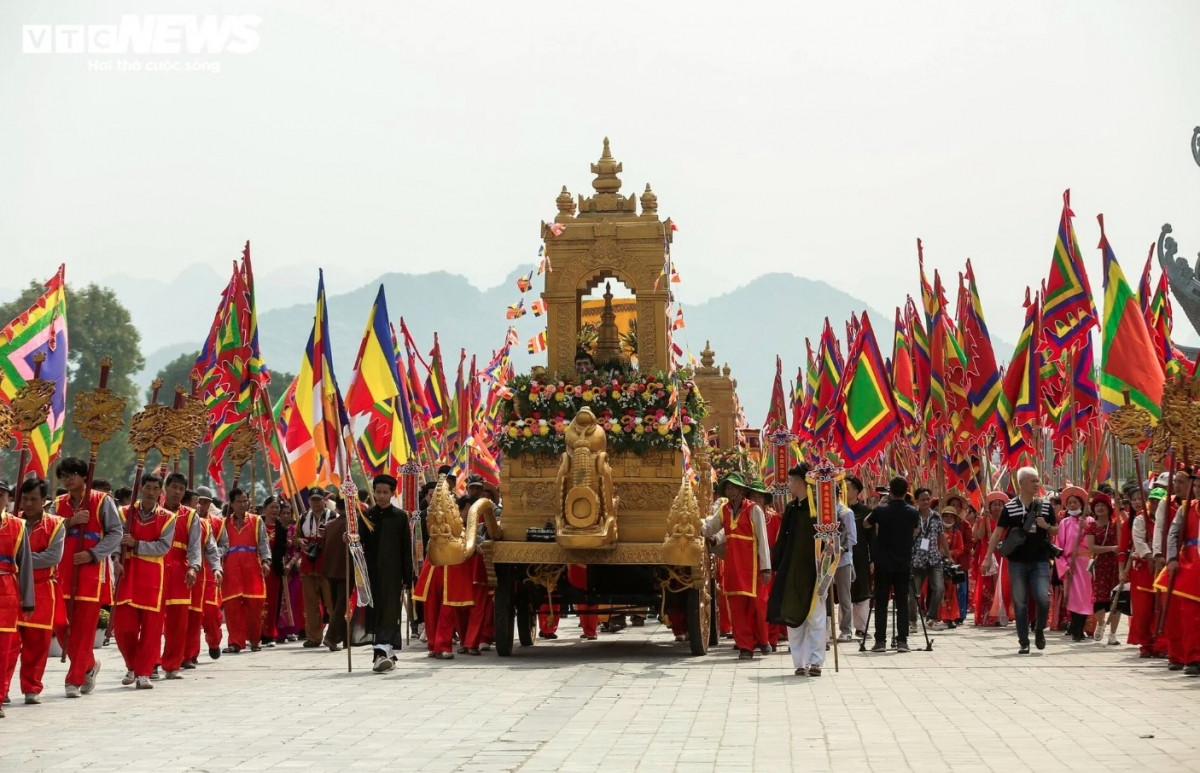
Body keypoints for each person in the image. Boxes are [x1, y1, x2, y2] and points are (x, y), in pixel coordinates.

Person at [53, 457, 124, 698]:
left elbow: (116, 533)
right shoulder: (58, 504)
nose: (67, 480)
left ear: (84, 475)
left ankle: (73, 680)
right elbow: (47, 528)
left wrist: (93, 554)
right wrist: (70, 522)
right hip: (62, 572)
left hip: (91, 574)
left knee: (83, 631)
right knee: (59, 625)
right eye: (64, 476)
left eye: (72, 474)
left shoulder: (102, 500)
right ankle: (89, 664)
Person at [2, 479, 63, 705]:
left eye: (34, 499)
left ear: (44, 500)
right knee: (9, 644)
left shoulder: (55, 524)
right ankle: (3, 688)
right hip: (11, 588)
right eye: (25, 498)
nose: (28, 504)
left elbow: (52, 556)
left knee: (37, 642)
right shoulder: (11, 522)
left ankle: (31, 687)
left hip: (42, 588)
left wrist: (20, 560)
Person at [112, 475, 175, 690]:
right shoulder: (124, 513)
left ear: (160, 493)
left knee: (151, 630)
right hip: (127, 573)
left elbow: (163, 547)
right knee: (124, 628)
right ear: (140, 489)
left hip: (153, 577)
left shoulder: (167, 518)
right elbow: (115, 539)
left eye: (155, 488)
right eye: (147, 487)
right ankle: (132, 665)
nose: (151, 492)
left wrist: (136, 544)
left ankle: (144, 672)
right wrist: (115, 559)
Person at [986, 466, 1057, 654]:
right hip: (1017, 561)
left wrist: (1047, 526)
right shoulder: (1009, 508)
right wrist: (987, 557)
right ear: (1021, 483)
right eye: (1033, 481)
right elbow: (997, 533)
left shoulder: (1045, 506)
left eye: (1037, 480)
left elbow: (1056, 529)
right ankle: (1023, 641)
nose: (1036, 484)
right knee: (1020, 602)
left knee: (1043, 598)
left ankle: (1039, 629)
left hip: (1040, 560)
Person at [766, 464, 829, 676]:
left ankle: (815, 662)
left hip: (815, 570)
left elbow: (836, 534)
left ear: (801, 482)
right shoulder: (792, 509)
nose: (789, 484)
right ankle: (800, 663)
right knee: (793, 615)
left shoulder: (820, 507)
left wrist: (832, 548)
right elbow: (783, 539)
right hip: (792, 569)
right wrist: (777, 564)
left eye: (792, 480)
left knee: (816, 617)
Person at [702, 472, 771, 660]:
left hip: (753, 567)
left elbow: (763, 539)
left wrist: (766, 567)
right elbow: (711, 528)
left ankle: (762, 640)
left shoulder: (754, 509)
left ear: (741, 490)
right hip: (733, 565)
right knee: (737, 608)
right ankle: (745, 647)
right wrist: (695, 524)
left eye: (733, 487)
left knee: (758, 606)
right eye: (727, 487)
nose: (730, 490)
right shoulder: (724, 510)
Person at [360, 474, 414, 671]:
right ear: (373, 493)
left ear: (392, 493)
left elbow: (405, 548)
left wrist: (407, 576)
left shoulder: (400, 516)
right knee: (375, 610)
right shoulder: (366, 516)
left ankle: (382, 651)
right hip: (371, 572)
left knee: (390, 610)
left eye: (385, 492)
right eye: (378, 492)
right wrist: (350, 540)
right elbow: (359, 543)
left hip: (393, 573)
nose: (381, 496)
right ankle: (383, 651)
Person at [865, 476, 920, 653]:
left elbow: (866, 523)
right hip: (903, 562)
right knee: (902, 601)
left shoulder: (881, 510)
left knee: (881, 601)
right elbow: (916, 530)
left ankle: (880, 641)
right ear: (906, 491)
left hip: (883, 562)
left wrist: (880, 504)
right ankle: (902, 641)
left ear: (890, 490)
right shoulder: (913, 512)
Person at [159, 472, 202, 679]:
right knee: (153, 619)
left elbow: (195, 546)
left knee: (178, 621)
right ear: (165, 488)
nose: (177, 492)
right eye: (173, 487)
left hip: (180, 569)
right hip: (156, 566)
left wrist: (194, 567)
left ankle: (172, 664)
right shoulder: (154, 511)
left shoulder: (191, 515)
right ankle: (149, 663)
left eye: (181, 489)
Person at [218, 488, 271, 654]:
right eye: (239, 501)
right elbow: (219, 546)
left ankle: (255, 640)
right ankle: (235, 642)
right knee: (232, 607)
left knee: (255, 606)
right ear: (232, 504)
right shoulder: (224, 523)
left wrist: (266, 561)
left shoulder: (256, 521)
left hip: (252, 567)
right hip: (231, 568)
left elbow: (263, 543)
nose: (242, 504)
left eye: (245, 501)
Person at [0, 497, 34, 719]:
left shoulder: (17, 525)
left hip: (6, 592)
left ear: (7, 499)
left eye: (0, 494)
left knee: (3, 650)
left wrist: (28, 599)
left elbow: (25, 565)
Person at [1163, 477, 1200, 675]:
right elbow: (1173, 534)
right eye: (1196, 486)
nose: (1198, 489)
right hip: (1191, 563)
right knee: (1189, 614)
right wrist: (1171, 558)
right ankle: (1193, 658)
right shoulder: (1186, 508)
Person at [1125, 480, 1166, 657]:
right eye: (1153, 501)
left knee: (1162, 608)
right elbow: (1139, 541)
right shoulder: (1141, 519)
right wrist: (1150, 557)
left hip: (1163, 568)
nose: (1156, 505)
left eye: (1159, 502)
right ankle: (1146, 644)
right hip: (1144, 570)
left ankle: (1162, 645)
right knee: (1143, 609)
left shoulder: (1170, 518)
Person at [183, 487, 222, 668]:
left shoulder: (210, 523)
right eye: (197, 502)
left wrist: (216, 567)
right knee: (185, 617)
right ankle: (188, 654)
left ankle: (212, 643)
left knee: (209, 615)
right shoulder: (173, 519)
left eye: (204, 502)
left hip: (205, 578)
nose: (200, 506)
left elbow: (215, 548)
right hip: (181, 574)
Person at [1055, 485, 1094, 642]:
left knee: (1086, 597)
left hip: (1086, 563)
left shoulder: (1090, 521)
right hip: (1070, 564)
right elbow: (1059, 547)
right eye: (1070, 502)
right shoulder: (1064, 523)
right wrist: (1064, 566)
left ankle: (1079, 628)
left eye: (1075, 502)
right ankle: (1076, 629)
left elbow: (1094, 542)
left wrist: (1087, 529)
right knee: (1073, 597)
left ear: (1081, 504)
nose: (1072, 505)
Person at [295, 488, 333, 648]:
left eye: (319, 499)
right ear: (309, 501)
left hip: (328, 566)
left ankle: (335, 635)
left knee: (332, 603)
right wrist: (300, 541)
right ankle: (314, 637)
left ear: (324, 500)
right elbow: (296, 537)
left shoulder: (333, 517)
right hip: (308, 565)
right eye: (313, 500)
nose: (316, 503)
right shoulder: (303, 518)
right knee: (310, 605)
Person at [909, 488, 949, 632]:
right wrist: (911, 534)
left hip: (933, 558)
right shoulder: (912, 516)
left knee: (939, 588)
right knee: (913, 593)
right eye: (923, 500)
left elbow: (941, 536)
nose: (926, 502)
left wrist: (948, 555)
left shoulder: (936, 516)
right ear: (916, 501)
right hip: (916, 559)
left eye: (928, 499)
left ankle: (931, 619)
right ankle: (912, 621)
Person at [1085, 492, 1121, 645]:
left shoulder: (1116, 524)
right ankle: (1100, 623)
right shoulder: (1091, 526)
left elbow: (1126, 532)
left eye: (1103, 505)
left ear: (1109, 508)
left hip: (1116, 565)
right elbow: (1092, 547)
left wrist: (1120, 508)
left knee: (1116, 598)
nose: (1100, 508)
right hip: (1100, 566)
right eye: (1097, 505)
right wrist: (1111, 548)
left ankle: (1113, 634)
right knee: (1099, 597)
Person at [973, 492, 1010, 627]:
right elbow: (979, 536)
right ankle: (986, 615)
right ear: (989, 506)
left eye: (1000, 505)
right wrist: (984, 520)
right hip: (987, 554)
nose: (997, 507)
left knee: (1001, 584)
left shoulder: (1006, 522)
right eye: (995, 504)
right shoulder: (984, 520)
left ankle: (999, 615)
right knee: (986, 584)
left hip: (1001, 555)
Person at [831, 480, 858, 643]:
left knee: (844, 597)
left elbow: (852, 537)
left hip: (842, 560)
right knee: (823, 596)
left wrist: (841, 549)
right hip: (825, 559)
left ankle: (846, 630)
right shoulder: (821, 513)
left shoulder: (846, 513)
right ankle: (826, 628)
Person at [846, 477, 873, 638]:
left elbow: (872, 538)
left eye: (847, 488)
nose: (844, 490)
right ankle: (845, 629)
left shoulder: (866, 511)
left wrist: (873, 559)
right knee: (843, 593)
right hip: (842, 556)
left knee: (862, 592)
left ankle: (861, 628)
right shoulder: (838, 510)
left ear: (856, 491)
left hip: (861, 557)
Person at [321, 497, 348, 652]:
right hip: (346, 570)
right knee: (341, 605)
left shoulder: (330, 525)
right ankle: (331, 636)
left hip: (330, 570)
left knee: (337, 603)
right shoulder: (352, 525)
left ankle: (344, 638)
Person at [937, 508, 965, 627]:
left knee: (951, 591)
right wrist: (938, 552)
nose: (948, 519)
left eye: (951, 517)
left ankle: (951, 616)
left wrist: (950, 553)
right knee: (939, 590)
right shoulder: (936, 532)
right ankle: (937, 615)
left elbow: (961, 549)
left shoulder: (957, 533)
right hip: (937, 564)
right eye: (946, 516)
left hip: (950, 565)